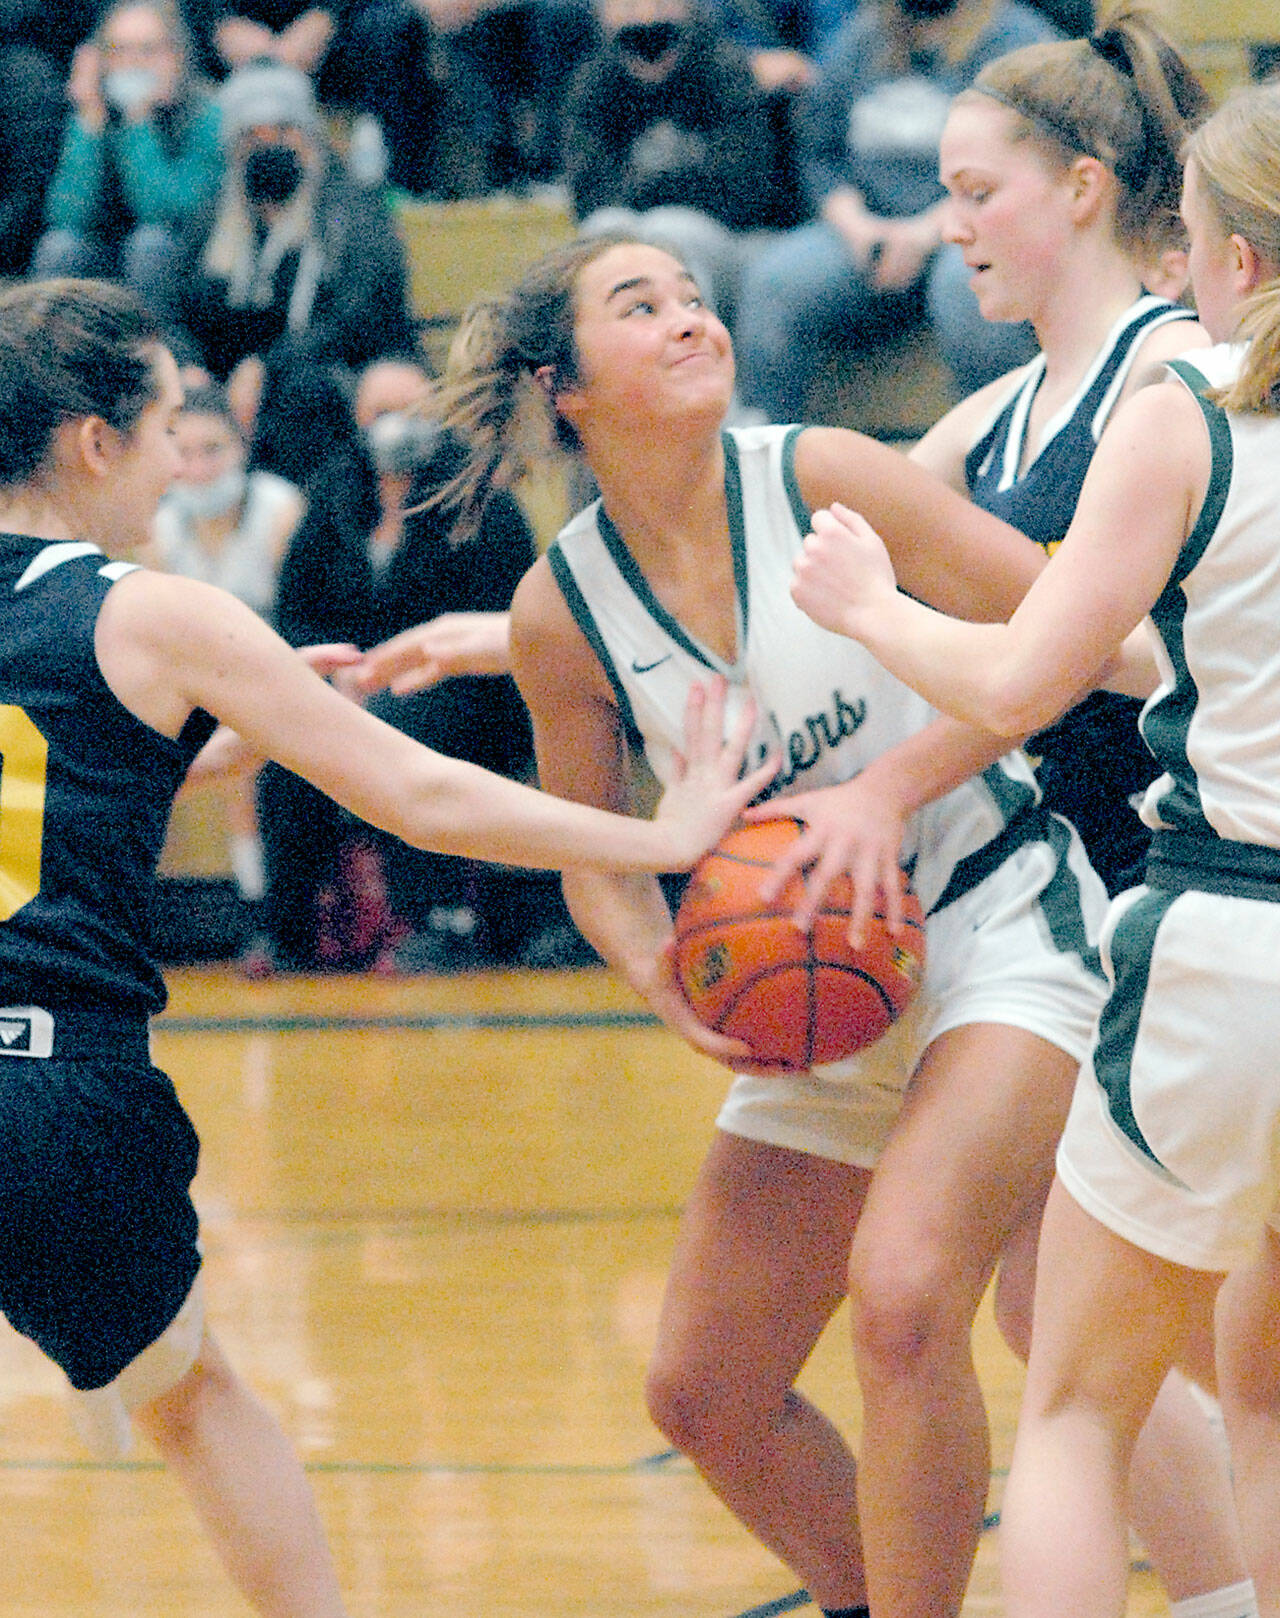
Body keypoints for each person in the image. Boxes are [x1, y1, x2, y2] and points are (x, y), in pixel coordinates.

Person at [413, 231, 1250, 1618]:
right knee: (705, 1391)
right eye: (642, 305)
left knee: (912, 1295)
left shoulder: (824, 477)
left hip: (994, 927)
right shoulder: (561, 610)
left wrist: (890, 784)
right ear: (566, 386)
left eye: (695, 293)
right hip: (818, 1003)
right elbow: (597, 858)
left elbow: (1070, 638)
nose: (691, 316)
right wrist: (657, 976)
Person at [0, 275, 772, 1614]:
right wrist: (666, 836)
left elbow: (58, 773)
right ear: (94, 445)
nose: (187, 455)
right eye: (174, 422)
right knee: (198, 1402)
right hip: (54, 1088)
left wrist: (238, 725)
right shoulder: (148, 610)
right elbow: (422, 796)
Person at [787, 74, 1280, 1618]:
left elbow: (1025, 676)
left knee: (1074, 1401)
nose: (1180, 277)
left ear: (1239, 265)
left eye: (1190, 248)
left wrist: (871, 608)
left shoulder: (1181, 409)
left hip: (1216, 926)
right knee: (1255, 1384)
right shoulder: (1030, 404)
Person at [906, 5, 1209, 902]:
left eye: (977, 192)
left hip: (1187, 869)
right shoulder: (992, 417)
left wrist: (1038, 645)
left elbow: (1221, 646)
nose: (950, 227)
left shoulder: (1176, 369)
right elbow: (796, 559)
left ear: (1083, 189)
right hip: (1063, 874)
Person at [733, 0, 1060, 426]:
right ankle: (764, 455)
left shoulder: (1016, 40)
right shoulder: (861, 38)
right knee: (775, 281)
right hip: (866, 229)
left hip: (974, 227)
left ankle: (1002, 454)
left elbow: (1026, 161)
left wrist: (924, 234)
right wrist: (858, 227)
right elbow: (819, 149)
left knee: (967, 288)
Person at [178, 59, 414, 379]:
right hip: (228, 387)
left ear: (309, 138)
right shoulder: (212, 218)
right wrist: (189, 365)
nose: (269, 147)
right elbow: (173, 304)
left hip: (333, 378)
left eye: (283, 131)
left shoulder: (351, 212)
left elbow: (360, 314)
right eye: (252, 136)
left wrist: (267, 370)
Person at [561, 0, 781, 328]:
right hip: (634, 222)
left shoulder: (723, 68)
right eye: (627, 6)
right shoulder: (592, 83)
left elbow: (742, 190)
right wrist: (670, 187)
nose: (646, 16)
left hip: (728, 235)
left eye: (661, 3)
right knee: (603, 232)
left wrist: (644, 190)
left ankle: (697, 368)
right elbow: (588, 196)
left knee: (670, 232)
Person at [32, 1, 223, 325]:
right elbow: (64, 214)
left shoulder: (206, 113)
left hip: (185, 264)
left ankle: (164, 358)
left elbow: (169, 212)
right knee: (58, 247)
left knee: (149, 245)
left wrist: (138, 124)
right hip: (109, 255)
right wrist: (88, 122)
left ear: (177, 55)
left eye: (148, 50)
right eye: (119, 51)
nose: (133, 63)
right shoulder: (94, 112)